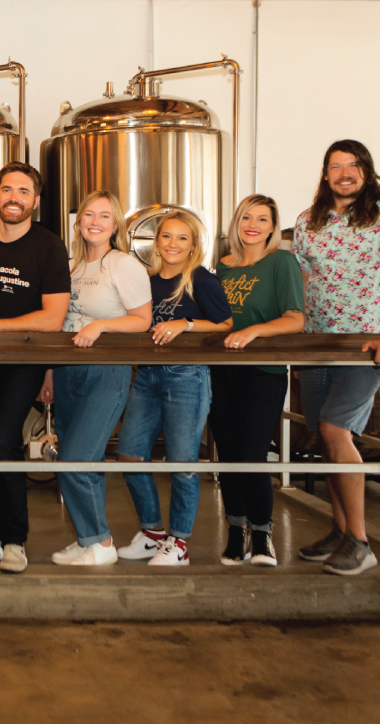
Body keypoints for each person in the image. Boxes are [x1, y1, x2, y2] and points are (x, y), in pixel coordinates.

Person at [294, 141, 380, 576]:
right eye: (335, 166)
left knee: (335, 428)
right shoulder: (309, 220)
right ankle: (341, 530)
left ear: (366, 169)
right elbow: (305, 279)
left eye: (352, 165)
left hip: (364, 343)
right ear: (325, 174)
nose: (344, 173)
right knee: (323, 436)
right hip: (316, 343)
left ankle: (362, 543)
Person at [0, 162, 70, 575]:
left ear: (36, 201)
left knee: (6, 437)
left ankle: (14, 542)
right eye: (7, 189)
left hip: (22, 360)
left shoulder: (48, 246)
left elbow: (53, 318)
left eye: (23, 192)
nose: (14, 198)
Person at [116, 212, 232, 567]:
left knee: (182, 463)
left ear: (194, 245)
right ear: (156, 241)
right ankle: (153, 534)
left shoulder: (201, 279)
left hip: (186, 377)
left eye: (183, 238)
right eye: (166, 236)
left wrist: (186, 323)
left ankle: (179, 542)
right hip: (147, 376)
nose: (173, 244)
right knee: (130, 456)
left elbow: (225, 323)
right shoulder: (146, 280)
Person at [50, 190, 151, 567]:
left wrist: (102, 326)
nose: (94, 221)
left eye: (104, 216)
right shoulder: (71, 264)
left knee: (79, 457)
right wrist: (48, 373)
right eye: (88, 214)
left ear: (116, 225)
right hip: (66, 369)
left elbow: (143, 320)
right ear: (78, 221)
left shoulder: (123, 264)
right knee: (72, 459)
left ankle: (102, 544)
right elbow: (59, 320)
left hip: (106, 369)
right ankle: (87, 537)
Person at [211, 195, 305, 567]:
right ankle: (236, 532)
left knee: (252, 454)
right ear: (236, 223)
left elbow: (295, 318)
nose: (253, 224)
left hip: (262, 372)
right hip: (221, 372)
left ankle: (263, 535)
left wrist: (254, 333)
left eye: (262, 219)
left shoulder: (281, 262)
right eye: (246, 217)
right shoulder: (223, 267)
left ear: (272, 226)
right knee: (229, 456)